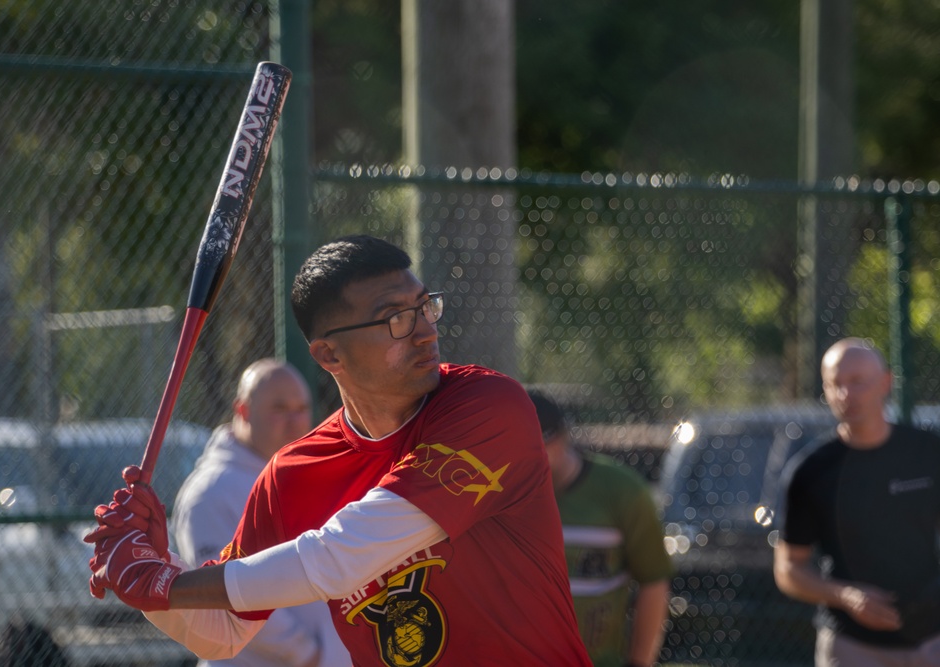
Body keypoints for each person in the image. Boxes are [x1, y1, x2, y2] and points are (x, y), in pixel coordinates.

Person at [84, 234, 592, 667]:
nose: (424, 331)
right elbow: (224, 631)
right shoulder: (291, 475)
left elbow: (338, 558)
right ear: (329, 353)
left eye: (424, 306)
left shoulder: (487, 406)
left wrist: (163, 583)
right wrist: (152, 572)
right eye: (395, 318)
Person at [170, 358, 350, 667]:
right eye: (279, 409)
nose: (294, 421)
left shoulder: (307, 476)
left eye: (302, 409)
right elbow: (224, 596)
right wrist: (306, 654)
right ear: (243, 411)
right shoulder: (210, 493)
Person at [773, 337, 940, 666]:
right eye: (835, 384)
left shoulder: (928, 453)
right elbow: (788, 568)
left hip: (932, 640)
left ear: (885, 383)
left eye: (858, 382)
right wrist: (846, 596)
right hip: (851, 646)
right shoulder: (811, 471)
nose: (846, 394)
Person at [527, 390, 672, 667]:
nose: (531, 458)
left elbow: (653, 580)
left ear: (562, 437)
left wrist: (639, 662)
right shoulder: (498, 496)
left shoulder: (623, 492)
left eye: (540, 445)